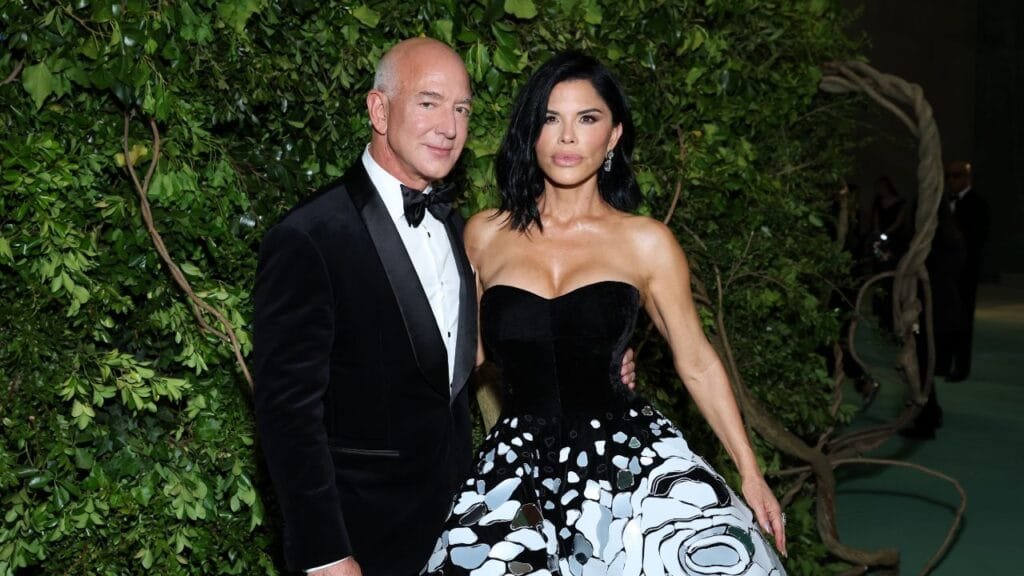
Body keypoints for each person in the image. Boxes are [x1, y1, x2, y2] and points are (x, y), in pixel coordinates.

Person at [253, 38, 635, 576]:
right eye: (429, 103)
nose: (449, 127)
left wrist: (591, 357)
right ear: (379, 110)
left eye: (461, 109)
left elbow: (478, 350)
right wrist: (325, 555)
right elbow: (287, 413)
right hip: (360, 538)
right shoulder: (309, 237)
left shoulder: (463, 231)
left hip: (463, 528)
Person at [425, 51, 786, 575]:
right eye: (551, 119)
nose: (568, 137)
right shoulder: (484, 234)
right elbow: (467, 356)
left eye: (587, 118)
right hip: (517, 467)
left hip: (627, 462)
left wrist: (750, 473)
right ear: (531, 133)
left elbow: (697, 361)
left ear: (613, 135)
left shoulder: (646, 242)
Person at [944, 160, 988, 382]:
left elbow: (977, 240)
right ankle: (945, 362)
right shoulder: (945, 202)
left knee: (963, 319)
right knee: (946, 317)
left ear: (967, 178)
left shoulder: (978, 204)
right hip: (946, 271)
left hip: (965, 272)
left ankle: (961, 366)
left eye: (956, 176)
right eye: (949, 176)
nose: (951, 180)